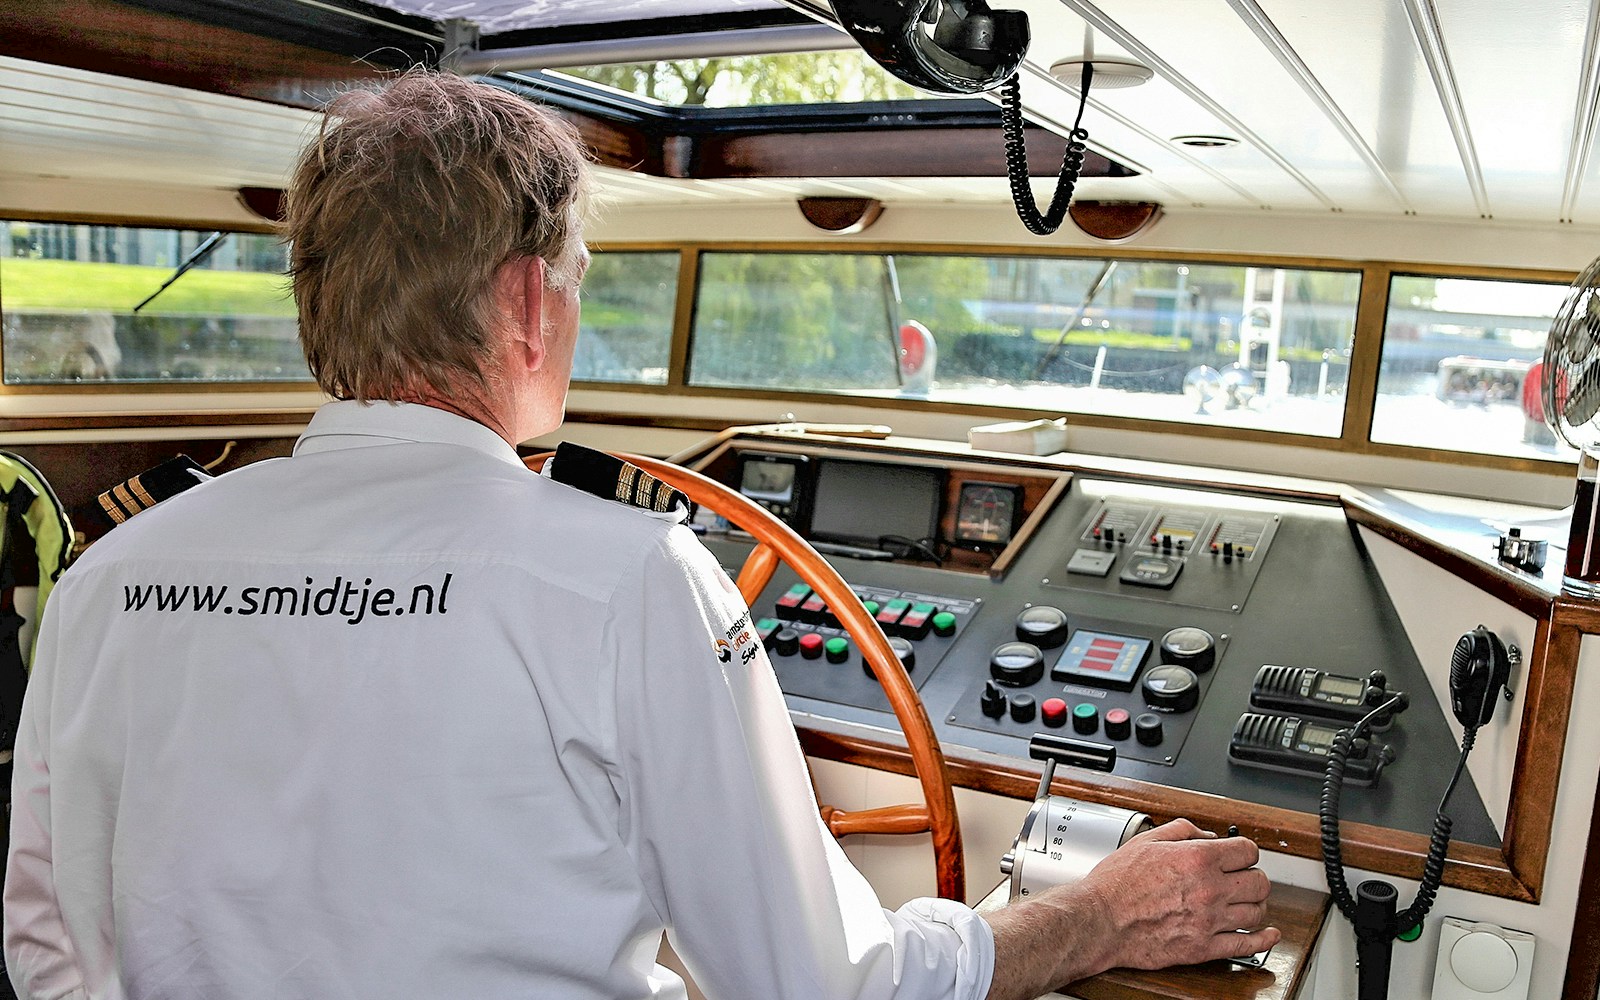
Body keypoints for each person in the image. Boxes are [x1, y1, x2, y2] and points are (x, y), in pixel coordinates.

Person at [3, 70, 1277, 1000]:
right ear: (521, 300)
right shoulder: (628, 578)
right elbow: (819, 982)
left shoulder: (112, 578)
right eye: (573, 284)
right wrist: (1090, 918)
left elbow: (48, 953)